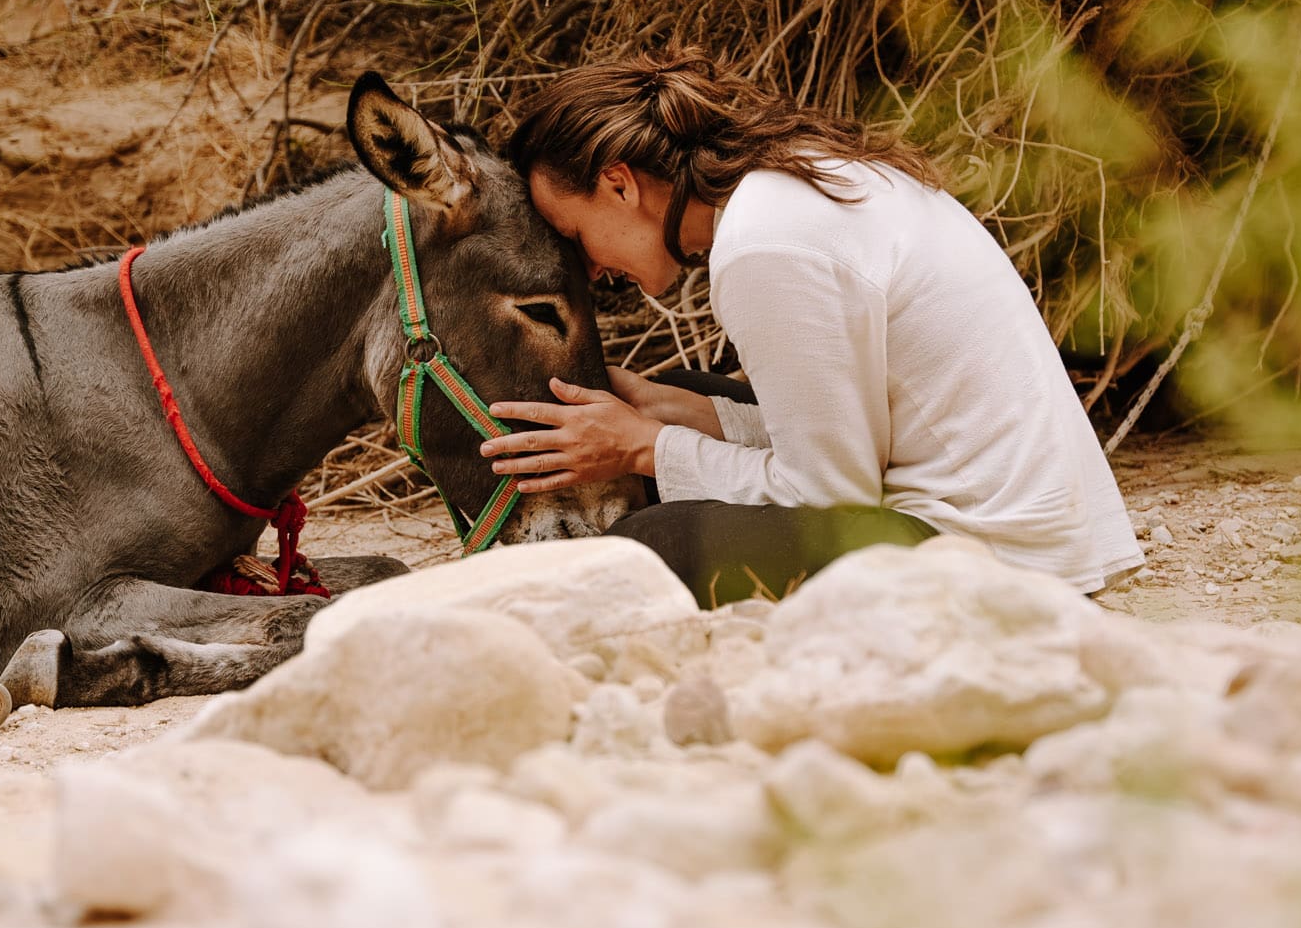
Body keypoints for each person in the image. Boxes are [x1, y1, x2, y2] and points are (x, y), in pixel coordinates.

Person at [485, 53, 1141, 607]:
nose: (591, 269)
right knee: (684, 391)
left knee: (651, 541)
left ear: (619, 184)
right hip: (1027, 527)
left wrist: (643, 449)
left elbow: (830, 494)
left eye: (576, 236)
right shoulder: (796, 179)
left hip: (989, 559)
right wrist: (688, 416)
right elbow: (863, 429)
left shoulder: (764, 247)